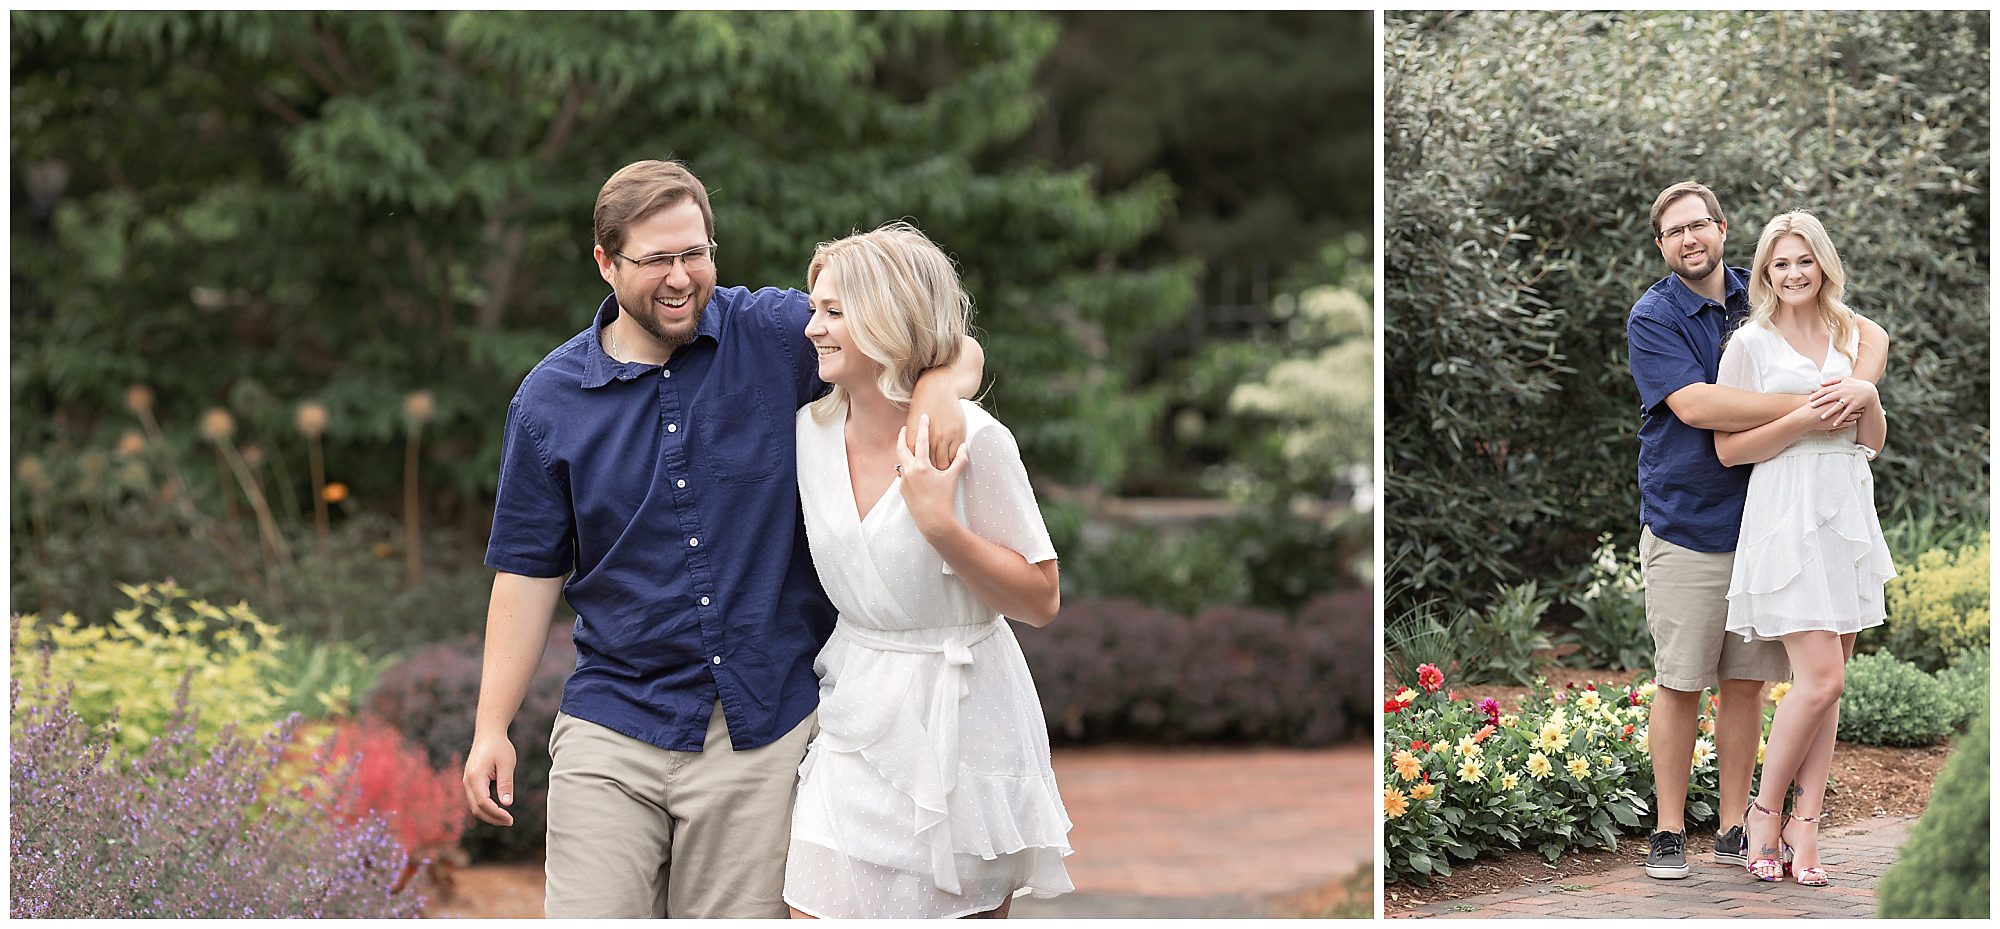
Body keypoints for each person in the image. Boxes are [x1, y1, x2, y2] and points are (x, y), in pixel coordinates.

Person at [460, 160, 983, 918]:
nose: (680, 278)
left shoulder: (775, 334)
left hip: (762, 728)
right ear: (605, 262)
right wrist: (490, 727)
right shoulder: (548, 403)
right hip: (614, 725)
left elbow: (936, 343)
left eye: (695, 253)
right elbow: (526, 572)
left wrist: (935, 387)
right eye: (656, 260)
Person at [783, 223, 1073, 918]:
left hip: (965, 732)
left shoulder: (973, 438)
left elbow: (1041, 599)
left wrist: (942, 526)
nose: (812, 329)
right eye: (813, 308)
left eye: (833, 312)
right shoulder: (808, 433)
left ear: (887, 318)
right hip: (855, 717)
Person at [1624, 181, 1886, 880]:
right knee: (1681, 678)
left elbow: (1853, 330)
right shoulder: (1655, 316)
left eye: (1699, 225)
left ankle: (1737, 823)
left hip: (1776, 522)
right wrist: (1816, 399)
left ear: (1721, 228)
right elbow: (1697, 404)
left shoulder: (1763, 290)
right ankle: (1671, 827)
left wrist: (1863, 380)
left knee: (1746, 683)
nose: (1689, 238)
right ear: (1662, 245)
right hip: (1690, 518)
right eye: (1674, 230)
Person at [1715, 211, 1893, 886]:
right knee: (1821, 677)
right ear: (1765, 271)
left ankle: (1807, 826)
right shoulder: (1751, 344)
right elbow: (1729, 448)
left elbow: (1870, 439)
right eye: (1779, 263)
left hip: (1844, 504)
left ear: (1823, 264)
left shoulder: (1851, 333)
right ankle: (1765, 814)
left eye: (1803, 261)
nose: (1792, 274)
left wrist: (1865, 391)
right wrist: (1800, 420)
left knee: (1829, 688)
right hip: (1785, 508)